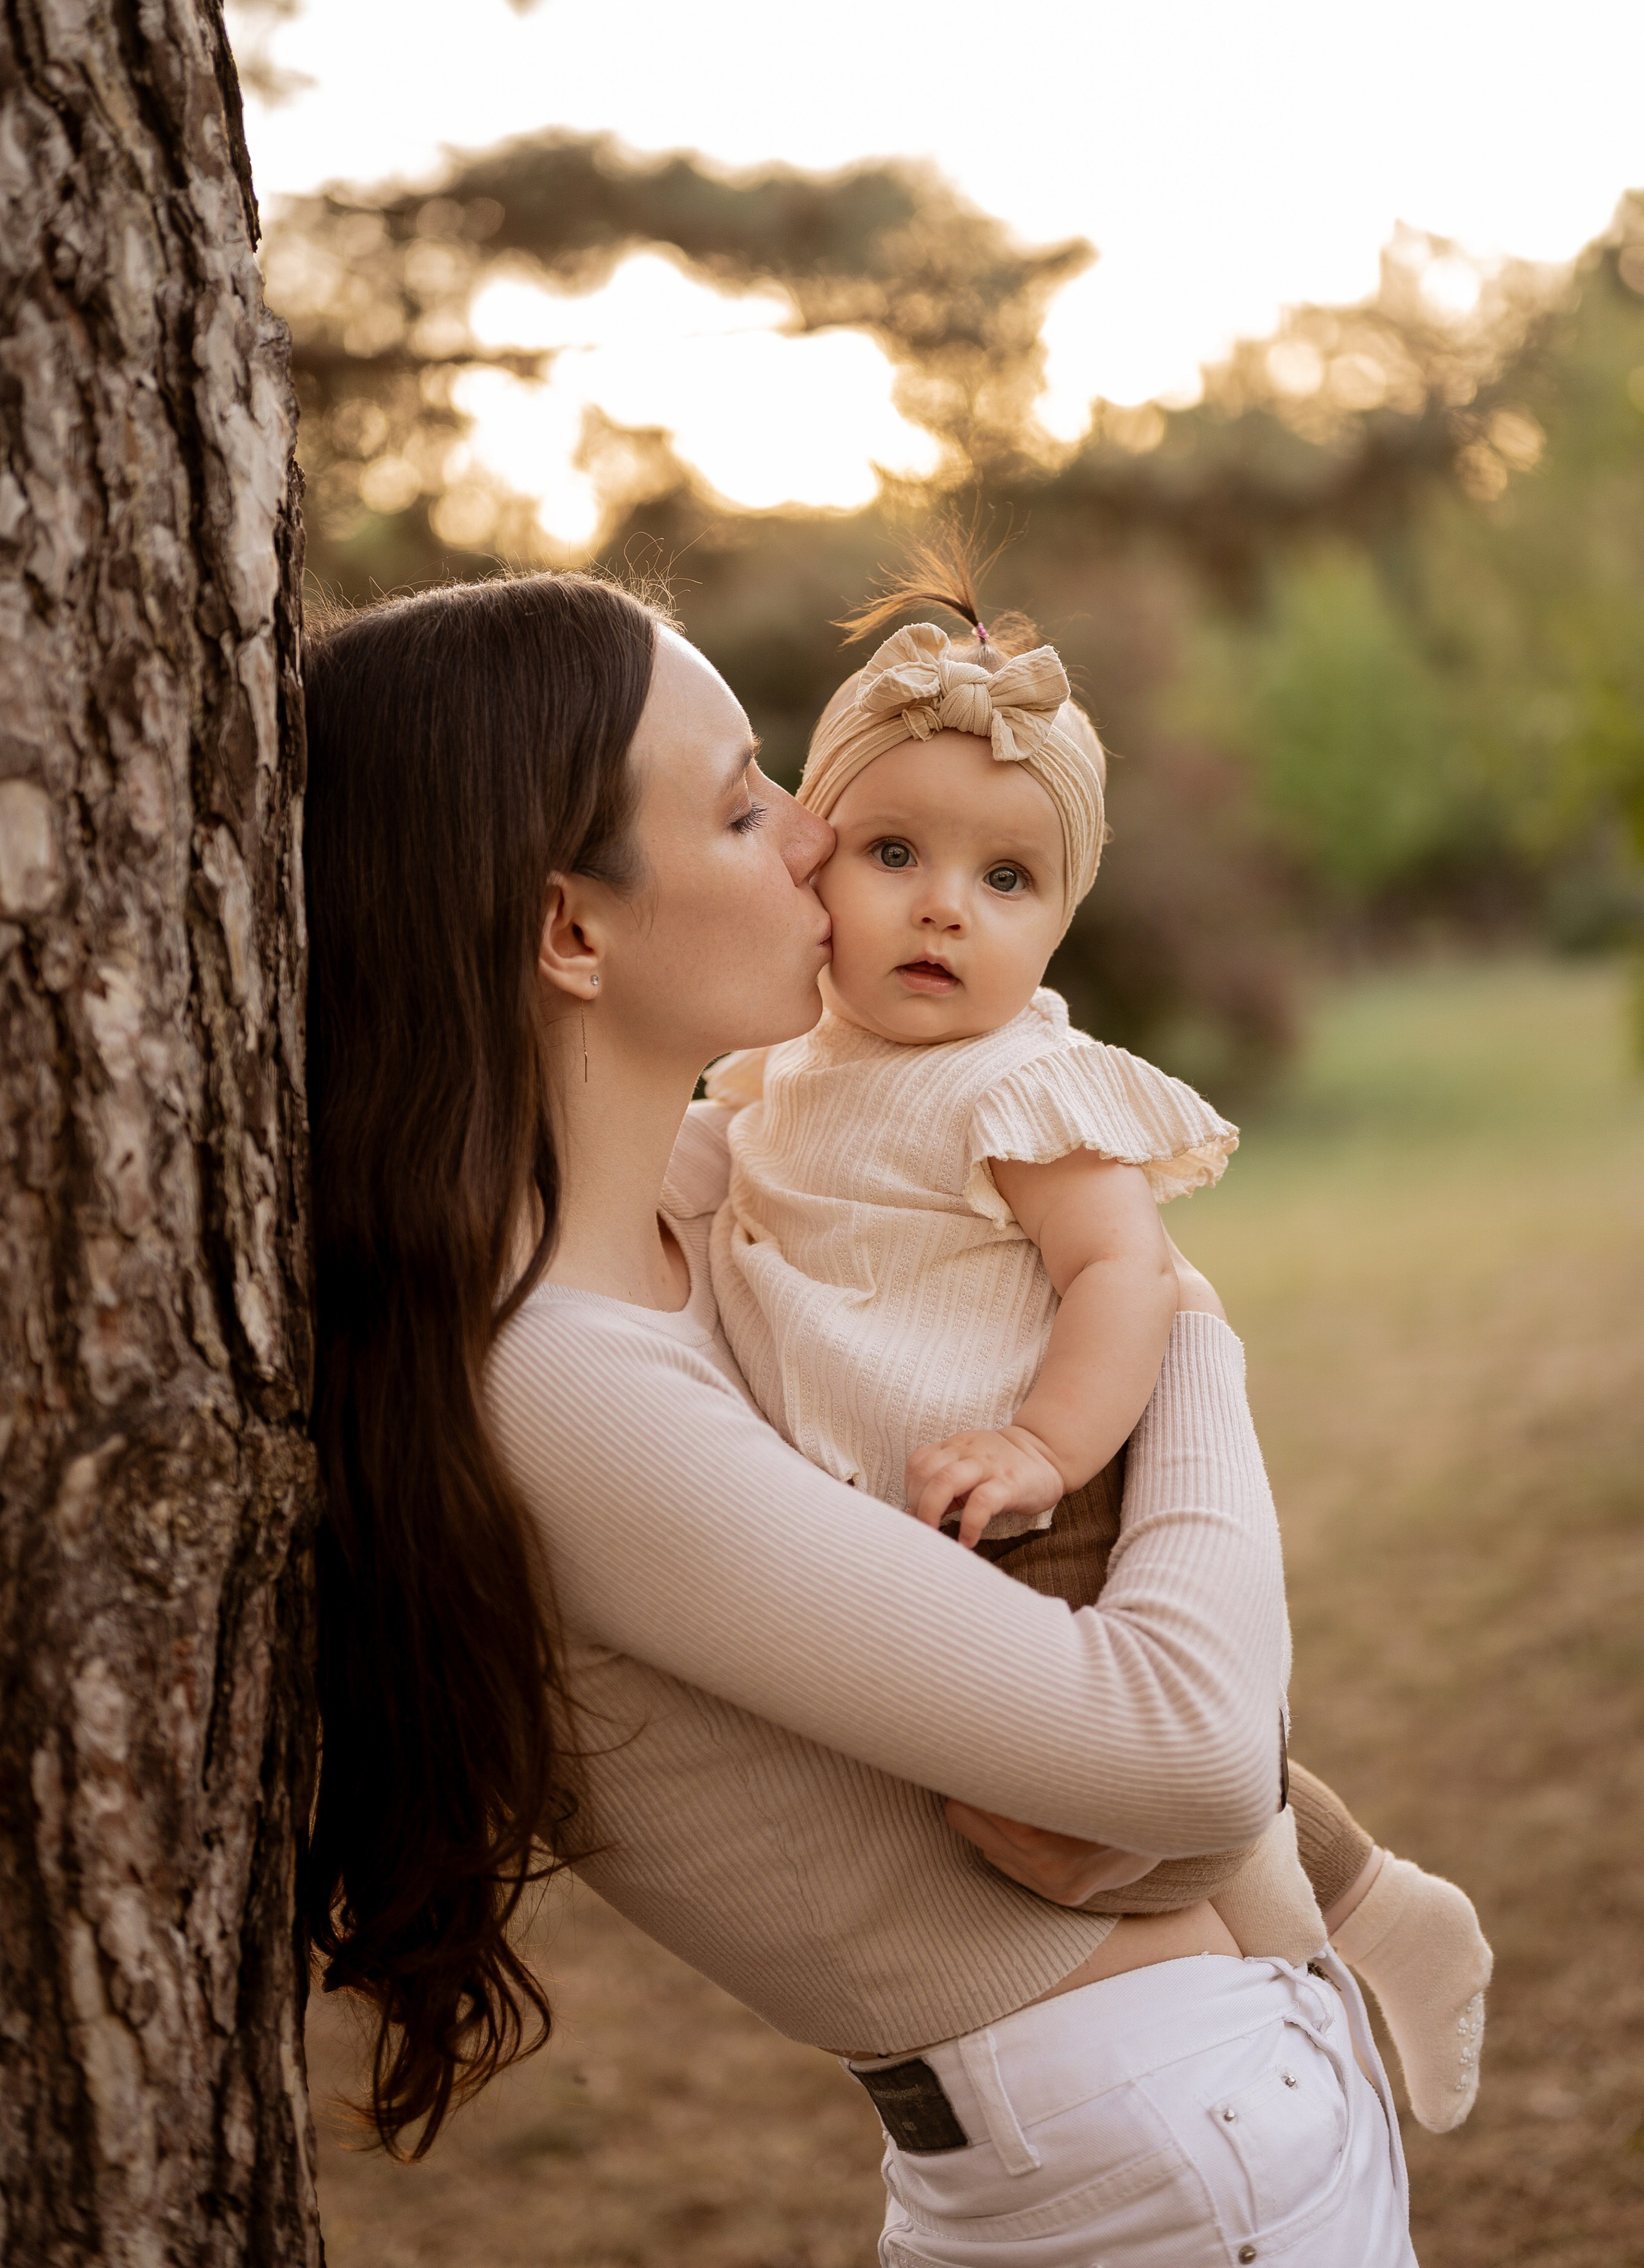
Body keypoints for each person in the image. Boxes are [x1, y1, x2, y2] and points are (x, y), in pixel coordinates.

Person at [302, 570, 1417, 2265]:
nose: (816, 839)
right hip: (1141, 2166)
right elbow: (1190, 1750)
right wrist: (1187, 1326)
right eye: (743, 806)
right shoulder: (557, 1385)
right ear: (571, 931)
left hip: (1183, 2115)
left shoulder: (707, 1216)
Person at [705, 556, 1492, 2141]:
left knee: (1065, 1824)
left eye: (1006, 879)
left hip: (1036, 1506)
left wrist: (1044, 1446)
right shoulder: (778, 1072)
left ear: (1061, 920)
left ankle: (1322, 1979)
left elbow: (1124, 1274)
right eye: (893, 852)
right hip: (906, 1523)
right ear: (810, 860)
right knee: (1039, 1818)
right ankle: (1363, 1928)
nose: (943, 904)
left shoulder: (1017, 1085)